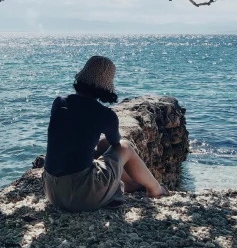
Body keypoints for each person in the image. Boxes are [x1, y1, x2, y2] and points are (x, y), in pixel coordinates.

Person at [43, 55, 167, 211]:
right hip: (80, 197)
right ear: (107, 86)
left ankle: (128, 184)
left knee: (102, 144)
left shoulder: (59, 102)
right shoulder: (105, 115)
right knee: (124, 146)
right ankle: (155, 189)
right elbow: (117, 144)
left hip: (53, 192)